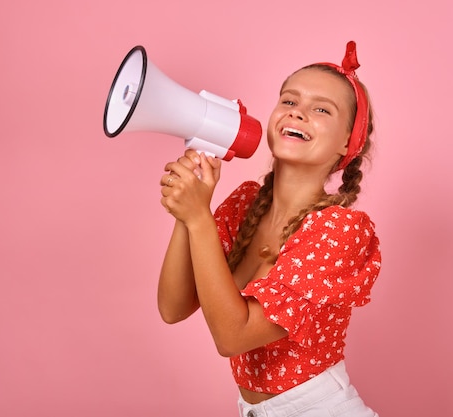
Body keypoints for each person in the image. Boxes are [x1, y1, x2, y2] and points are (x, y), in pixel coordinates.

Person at [157, 40, 381, 417]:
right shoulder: (246, 203)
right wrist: (189, 208)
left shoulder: (341, 229)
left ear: (348, 142)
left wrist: (198, 217)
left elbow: (232, 336)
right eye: (289, 101)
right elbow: (173, 307)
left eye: (321, 109)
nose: (298, 113)